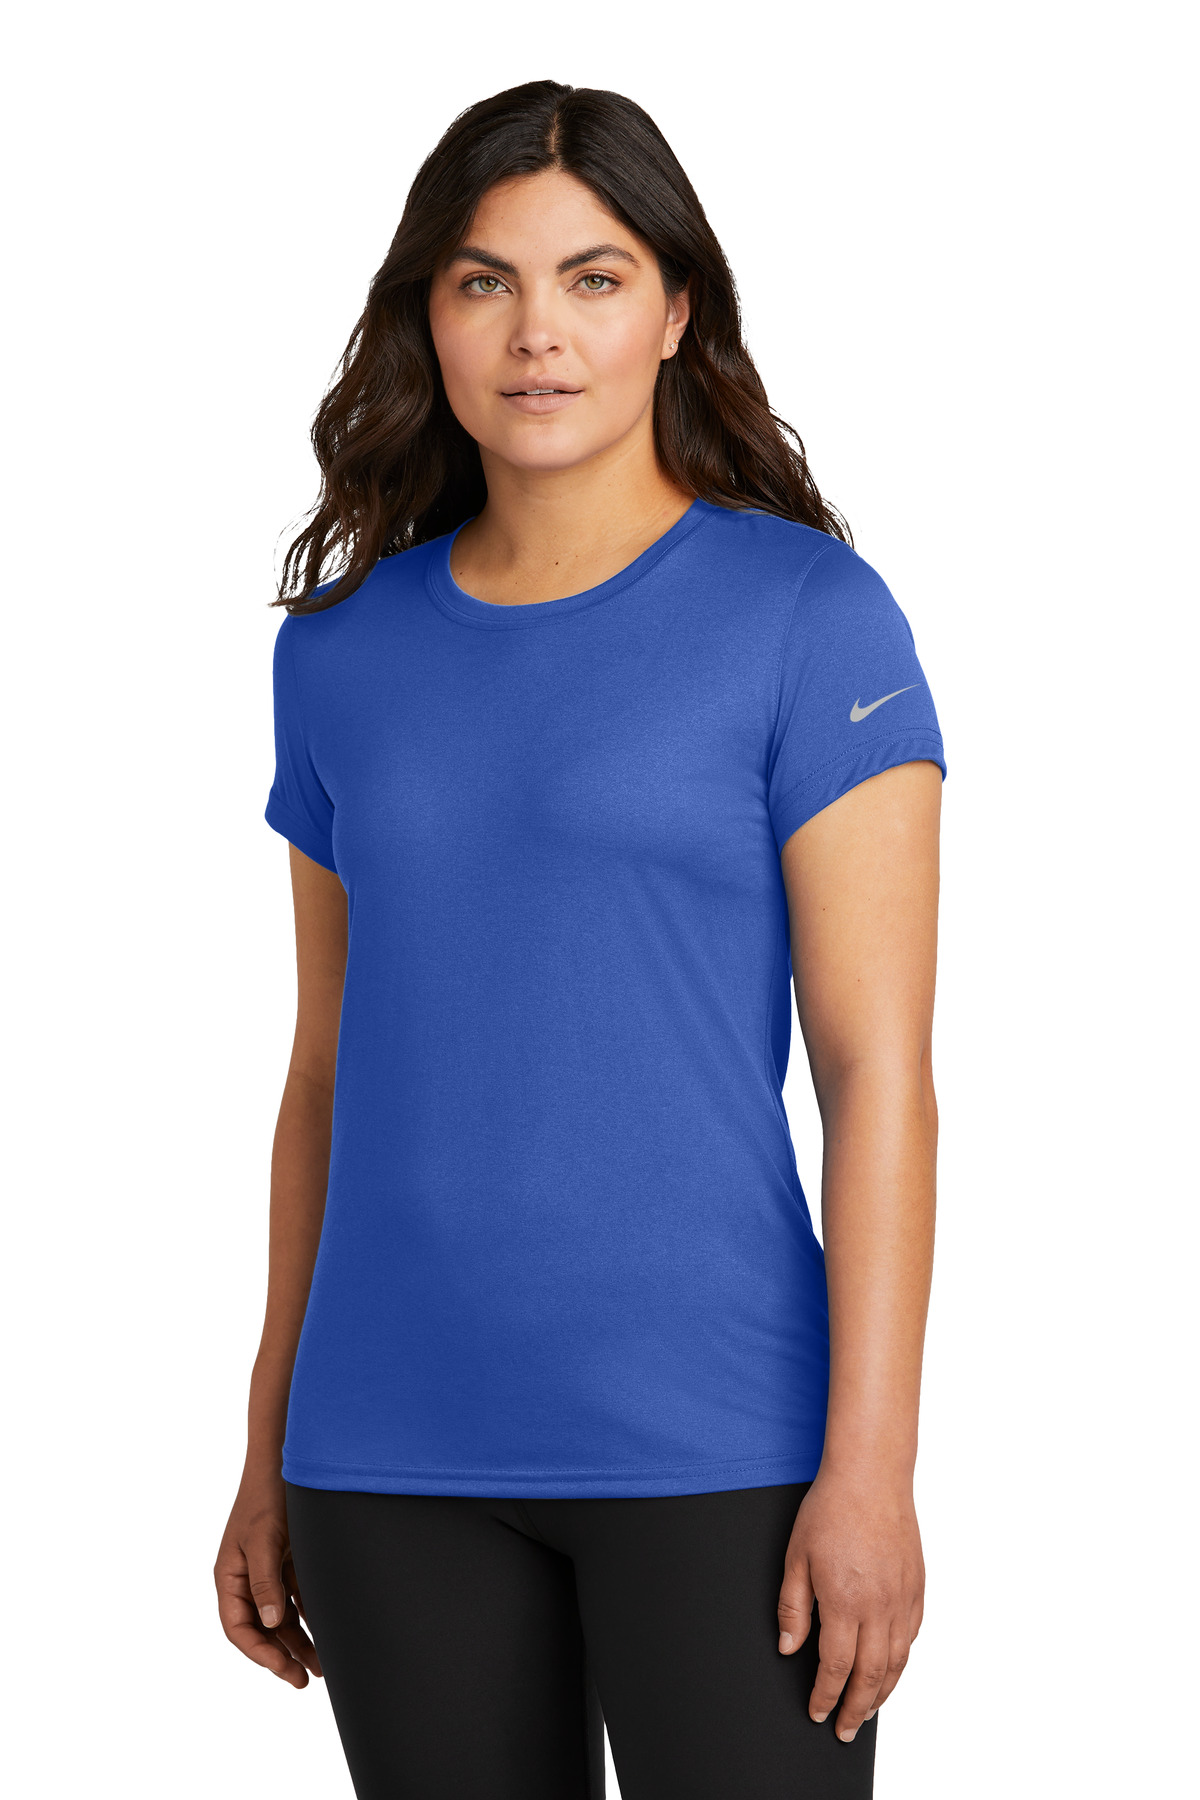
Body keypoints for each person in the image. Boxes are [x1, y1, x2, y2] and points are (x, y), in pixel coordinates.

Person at [214, 79, 945, 1800]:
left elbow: (878, 1075)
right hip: (386, 1450)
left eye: (593, 278)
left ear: (676, 311)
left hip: (722, 1440)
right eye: (485, 282)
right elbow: (324, 1073)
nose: (536, 331)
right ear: (430, 317)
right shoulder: (339, 652)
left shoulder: (809, 617)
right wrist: (266, 1442)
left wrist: (872, 1471)